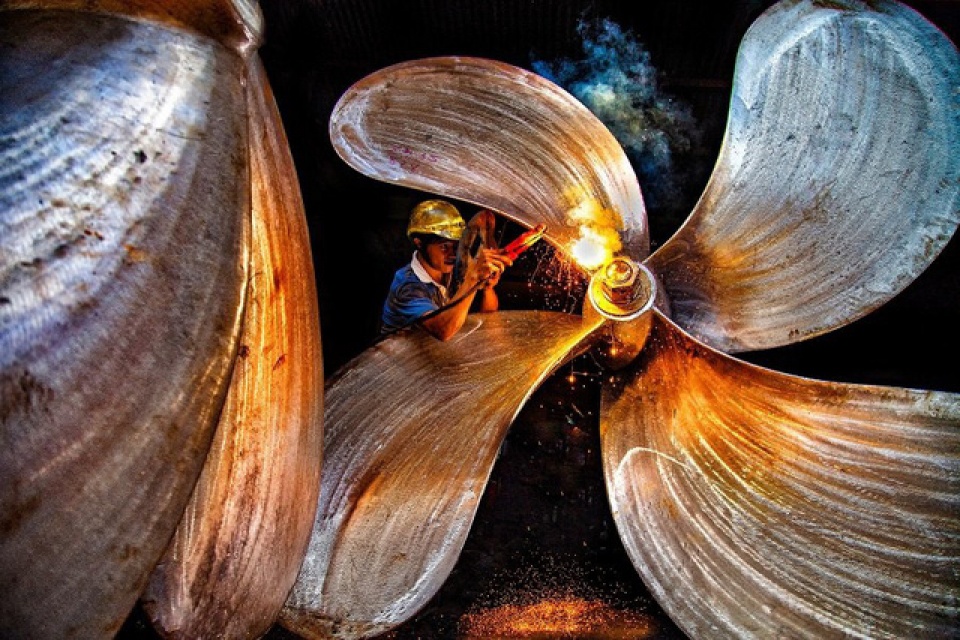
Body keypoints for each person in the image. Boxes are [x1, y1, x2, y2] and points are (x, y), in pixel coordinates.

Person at [381, 199, 512, 340]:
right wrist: (473, 278)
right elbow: (443, 330)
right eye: (444, 246)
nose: (453, 254)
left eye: (456, 246)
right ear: (419, 243)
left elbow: (488, 319)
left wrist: (487, 287)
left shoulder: (453, 268)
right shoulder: (407, 287)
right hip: (401, 360)